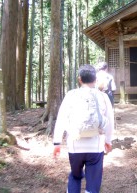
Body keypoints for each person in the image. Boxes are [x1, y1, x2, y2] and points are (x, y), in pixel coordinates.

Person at [53, 64, 114, 193]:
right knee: (93, 182)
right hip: (96, 146)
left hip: (75, 145)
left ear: (79, 79)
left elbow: (62, 118)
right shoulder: (103, 96)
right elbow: (109, 120)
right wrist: (108, 140)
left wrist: (57, 142)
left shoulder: (71, 95)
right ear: (95, 80)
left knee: (75, 177)